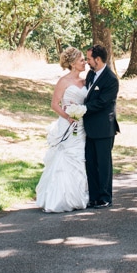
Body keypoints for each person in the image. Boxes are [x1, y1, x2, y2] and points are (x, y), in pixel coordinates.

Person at [35, 46, 89, 212]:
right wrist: (68, 116)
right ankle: (59, 198)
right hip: (67, 123)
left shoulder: (86, 81)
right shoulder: (63, 81)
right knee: (66, 156)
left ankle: (78, 196)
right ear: (73, 63)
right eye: (81, 60)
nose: (85, 62)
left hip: (81, 126)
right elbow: (54, 104)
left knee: (79, 157)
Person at [82, 44, 120, 209]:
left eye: (89, 58)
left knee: (103, 164)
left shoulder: (111, 79)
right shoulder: (91, 74)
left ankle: (105, 197)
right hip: (89, 127)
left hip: (104, 128)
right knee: (90, 162)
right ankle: (94, 196)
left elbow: (102, 102)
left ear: (97, 59)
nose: (87, 61)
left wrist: (82, 109)